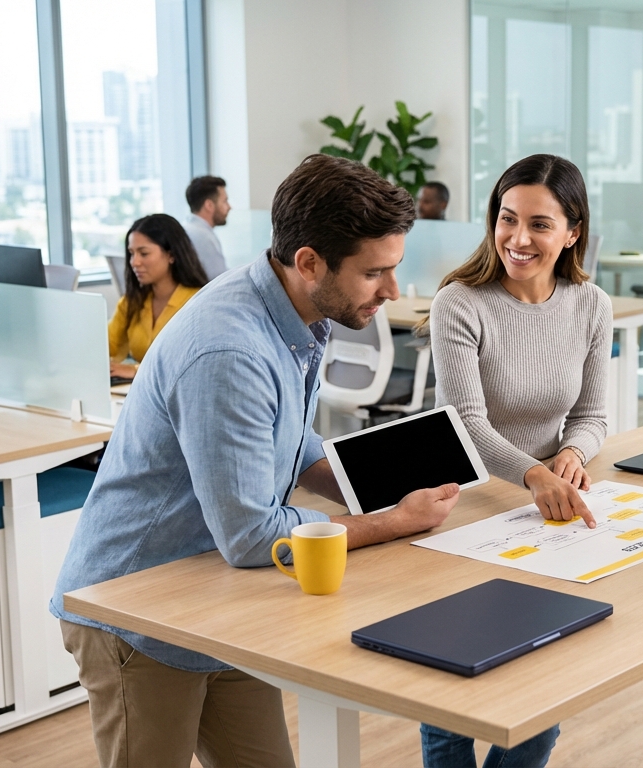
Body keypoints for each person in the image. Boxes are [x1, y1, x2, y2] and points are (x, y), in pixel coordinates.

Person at [52, 154, 460, 768]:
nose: (393, 291)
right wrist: (393, 522)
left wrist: (374, 483)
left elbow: (289, 442)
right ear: (309, 262)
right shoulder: (229, 349)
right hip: (135, 611)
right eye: (375, 273)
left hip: (213, 599)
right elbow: (251, 535)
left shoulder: (297, 313)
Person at [422, 154, 610, 767]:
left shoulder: (590, 304)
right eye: (507, 219)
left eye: (539, 224)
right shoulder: (461, 301)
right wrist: (534, 473)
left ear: (572, 231)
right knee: (450, 691)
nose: (518, 239)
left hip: (543, 513)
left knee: (539, 694)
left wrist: (574, 454)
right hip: (462, 501)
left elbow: (591, 414)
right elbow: (467, 427)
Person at [107, 213, 209, 381]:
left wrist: (135, 370)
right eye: (132, 254)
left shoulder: (198, 303)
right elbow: (107, 345)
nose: (134, 262)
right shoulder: (133, 301)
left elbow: (189, 363)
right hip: (137, 394)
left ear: (171, 255)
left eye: (144, 253)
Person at [182, 175, 231, 280]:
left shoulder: (187, 229)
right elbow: (220, 281)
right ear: (209, 205)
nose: (229, 207)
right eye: (225, 201)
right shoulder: (202, 236)